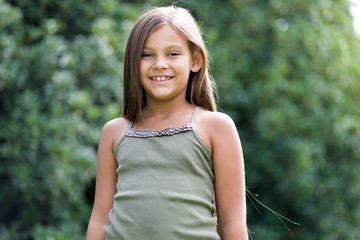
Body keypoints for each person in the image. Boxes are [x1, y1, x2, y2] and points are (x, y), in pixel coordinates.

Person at [86, 6, 248, 240]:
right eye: (147, 54)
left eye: (172, 53)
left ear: (195, 60)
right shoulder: (114, 132)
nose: (159, 64)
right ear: (133, 62)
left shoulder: (216, 128)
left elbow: (232, 222)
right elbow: (100, 218)